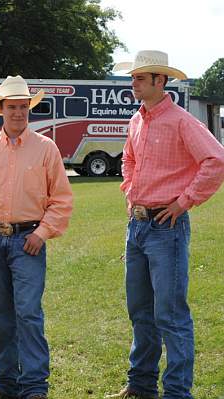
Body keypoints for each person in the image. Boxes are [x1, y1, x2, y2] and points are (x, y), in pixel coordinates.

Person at [106, 50, 224, 399]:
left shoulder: (182, 121)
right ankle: (141, 386)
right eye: (134, 78)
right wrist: (129, 191)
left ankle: (175, 392)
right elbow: (128, 159)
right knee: (140, 311)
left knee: (170, 315)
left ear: (160, 81)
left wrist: (184, 201)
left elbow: (215, 160)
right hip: (139, 225)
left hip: (166, 227)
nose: (133, 83)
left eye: (140, 78)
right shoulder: (137, 120)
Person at [0, 76, 73, 399]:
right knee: (0, 315)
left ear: (29, 110)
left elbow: (62, 199)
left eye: (24, 107)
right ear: (1, 110)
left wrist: (42, 233)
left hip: (28, 241)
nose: (19, 113)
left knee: (29, 313)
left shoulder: (46, 149)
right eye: (12, 107)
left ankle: (35, 387)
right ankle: (5, 385)